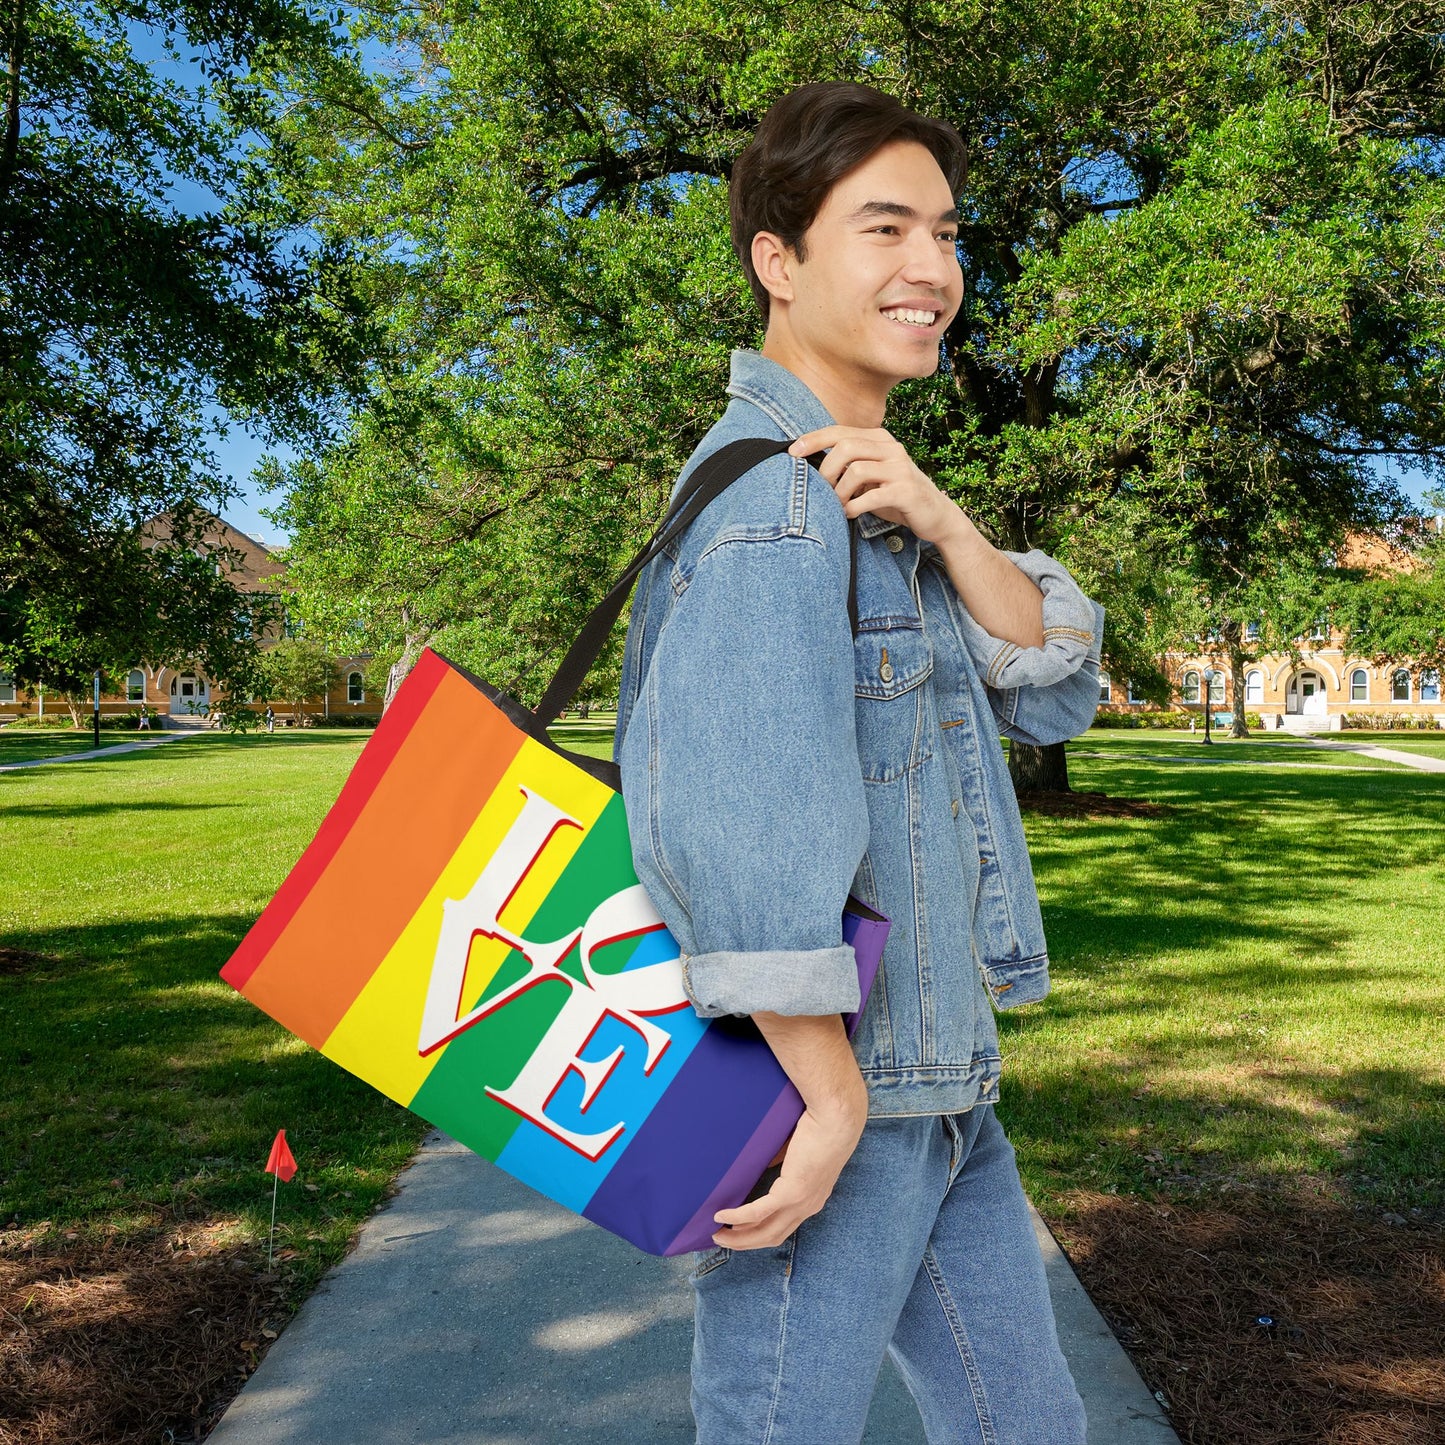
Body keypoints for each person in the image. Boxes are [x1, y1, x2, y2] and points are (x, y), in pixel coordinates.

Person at [614, 82, 1103, 1444]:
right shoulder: (774, 502)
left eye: (945, 234)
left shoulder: (865, 490)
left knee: (1030, 1429)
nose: (932, 271)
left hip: (941, 1088)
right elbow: (738, 816)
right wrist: (824, 1099)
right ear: (777, 260)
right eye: (882, 228)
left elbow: (1056, 690)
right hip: (850, 1099)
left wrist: (949, 523)